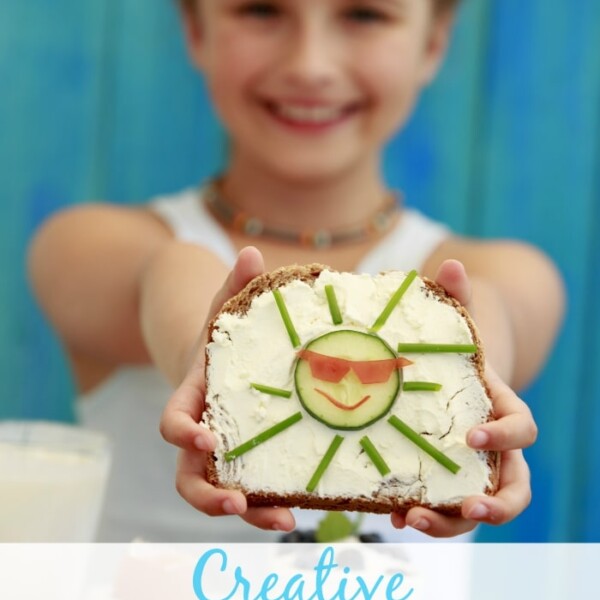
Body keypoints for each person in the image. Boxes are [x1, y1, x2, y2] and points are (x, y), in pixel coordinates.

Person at [28, 0, 564, 542]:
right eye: (261, 11)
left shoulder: (508, 272)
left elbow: (490, 310)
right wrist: (216, 361)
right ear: (195, 30)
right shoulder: (90, 245)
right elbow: (172, 273)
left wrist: (471, 391)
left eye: (364, 16)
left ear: (432, 42)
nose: (310, 65)